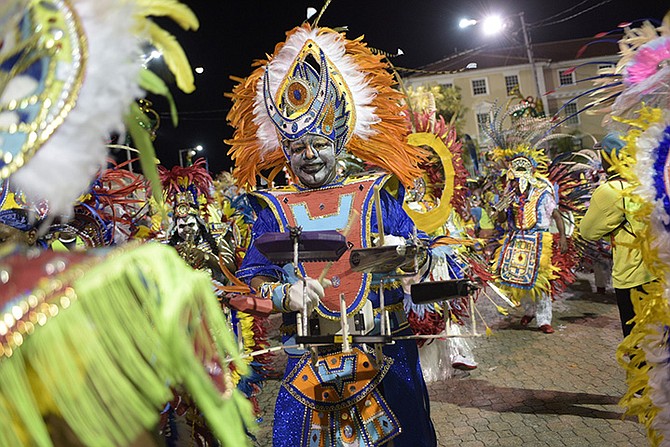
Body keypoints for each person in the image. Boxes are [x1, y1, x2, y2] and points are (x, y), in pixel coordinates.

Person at [228, 24, 437, 447]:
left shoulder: (376, 194)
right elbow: (251, 275)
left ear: (338, 143)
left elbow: (425, 250)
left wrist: (413, 258)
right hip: (309, 358)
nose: (309, 156)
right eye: (298, 147)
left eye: (319, 143)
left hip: (386, 354)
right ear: (285, 152)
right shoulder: (272, 209)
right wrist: (282, 294)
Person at [579, 133, 656, 338]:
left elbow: (587, 231)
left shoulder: (611, 190)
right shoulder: (648, 182)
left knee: (640, 347)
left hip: (634, 277)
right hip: (661, 273)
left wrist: (609, 230)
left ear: (608, 158)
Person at [493, 149, 568, 334]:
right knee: (518, 279)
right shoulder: (510, 195)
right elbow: (502, 220)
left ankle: (544, 319)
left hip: (538, 239)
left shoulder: (542, 193)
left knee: (540, 281)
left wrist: (563, 237)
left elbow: (557, 215)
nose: (515, 183)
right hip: (516, 238)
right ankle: (529, 310)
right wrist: (502, 206)